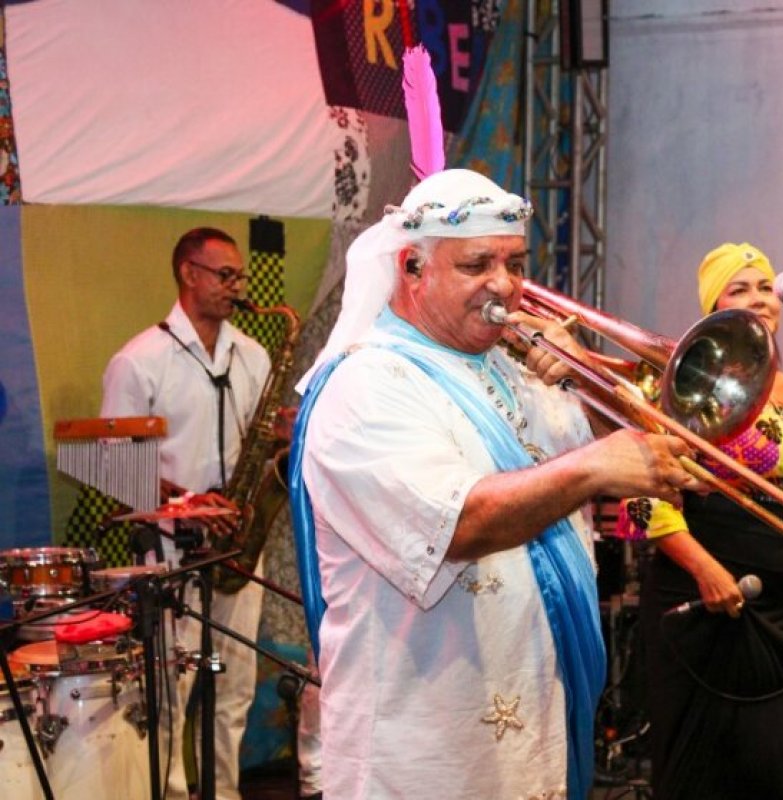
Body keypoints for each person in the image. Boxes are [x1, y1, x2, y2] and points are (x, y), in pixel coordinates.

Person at [289, 168, 703, 800]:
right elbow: (456, 525)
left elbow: (614, 445)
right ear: (411, 269)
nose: (505, 286)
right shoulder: (365, 385)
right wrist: (594, 470)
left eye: (515, 263)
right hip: (422, 747)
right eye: (478, 263)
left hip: (528, 730)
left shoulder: (514, 368)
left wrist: (585, 372)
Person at [613, 242, 783, 800]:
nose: (759, 298)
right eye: (739, 289)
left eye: (765, 286)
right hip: (705, 601)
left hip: (780, 610)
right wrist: (706, 571)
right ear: (713, 307)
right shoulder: (682, 381)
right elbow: (643, 499)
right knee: (711, 777)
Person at [101, 227, 271, 799]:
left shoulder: (254, 355)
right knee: (173, 693)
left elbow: (259, 446)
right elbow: (113, 467)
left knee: (236, 693)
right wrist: (187, 504)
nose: (237, 287)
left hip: (240, 551)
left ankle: (224, 793)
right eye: (225, 275)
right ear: (188, 274)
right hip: (172, 553)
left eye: (239, 276)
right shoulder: (137, 360)